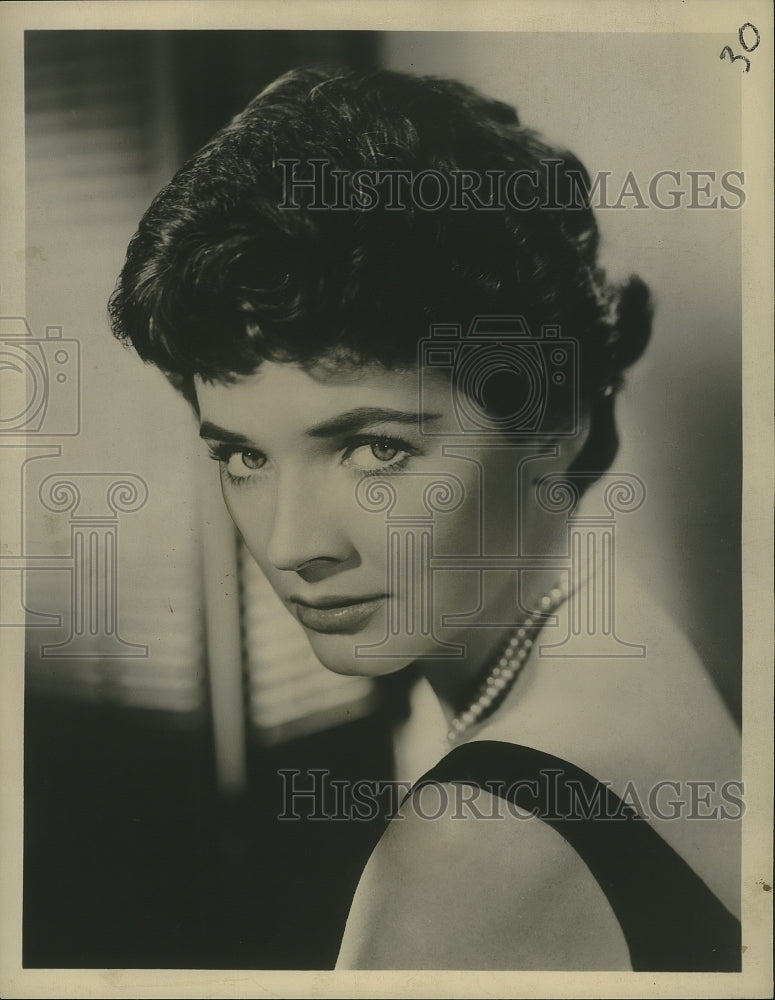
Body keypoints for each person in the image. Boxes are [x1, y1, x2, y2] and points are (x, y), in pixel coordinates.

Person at [108, 66, 741, 971]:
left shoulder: (464, 852)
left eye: (375, 449)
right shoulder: (618, 626)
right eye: (242, 455)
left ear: (553, 418)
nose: (291, 546)